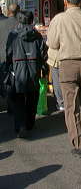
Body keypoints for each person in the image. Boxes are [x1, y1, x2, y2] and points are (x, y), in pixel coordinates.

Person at [47, 0, 81, 159]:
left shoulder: (59, 19)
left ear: (65, 1)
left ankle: (79, 144)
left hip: (67, 65)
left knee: (71, 106)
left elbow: (52, 43)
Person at [6, 10, 48, 138]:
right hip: (33, 68)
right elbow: (43, 54)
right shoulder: (37, 35)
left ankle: (20, 126)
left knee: (18, 99)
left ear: (19, 20)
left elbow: (9, 53)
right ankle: (30, 123)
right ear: (31, 20)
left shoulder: (13, 35)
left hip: (17, 70)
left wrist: (10, 65)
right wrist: (43, 67)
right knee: (32, 97)